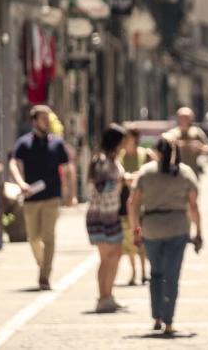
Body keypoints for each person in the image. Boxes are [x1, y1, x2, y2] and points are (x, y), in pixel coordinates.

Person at [129, 136, 202, 335]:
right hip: (178, 227)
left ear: (157, 152)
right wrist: (199, 232)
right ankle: (169, 321)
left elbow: (133, 203)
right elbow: (193, 205)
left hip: (151, 228)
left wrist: (135, 229)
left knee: (156, 273)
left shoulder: (146, 172)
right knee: (172, 275)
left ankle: (157, 317)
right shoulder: (185, 173)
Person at [9, 105, 75, 290]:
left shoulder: (57, 144)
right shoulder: (23, 143)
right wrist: (21, 183)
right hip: (31, 197)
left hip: (52, 197)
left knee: (49, 236)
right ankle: (42, 264)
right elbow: (13, 163)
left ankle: (44, 275)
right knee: (33, 237)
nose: (47, 121)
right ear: (34, 121)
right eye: (43, 118)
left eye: (48, 118)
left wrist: (71, 193)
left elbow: (68, 168)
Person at [86, 123, 127, 313]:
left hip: (111, 213)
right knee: (105, 257)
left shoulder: (112, 159)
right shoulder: (101, 160)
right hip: (101, 214)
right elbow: (102, 187)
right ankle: (103, 297)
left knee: (116, 254)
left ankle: (108, 295)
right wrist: (122, 181)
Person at [118, 128, 151, 286]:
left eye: (128, 138)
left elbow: (150, 173)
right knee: (129, 240)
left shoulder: (145, 154)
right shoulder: (120, 157)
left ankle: (144, 272)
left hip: (143, 204)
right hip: (124, 203)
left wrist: (130, 178)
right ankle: (133, 273)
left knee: (142, 241)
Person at [166, 107, 208, 179]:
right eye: (182, 117)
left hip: (193, 172)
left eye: (187, 117)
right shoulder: (172, 133)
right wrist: (184, 145)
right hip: (176, 173)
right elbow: (165, 149)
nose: (184, 120)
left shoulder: (196, 132)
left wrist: (199, 147)